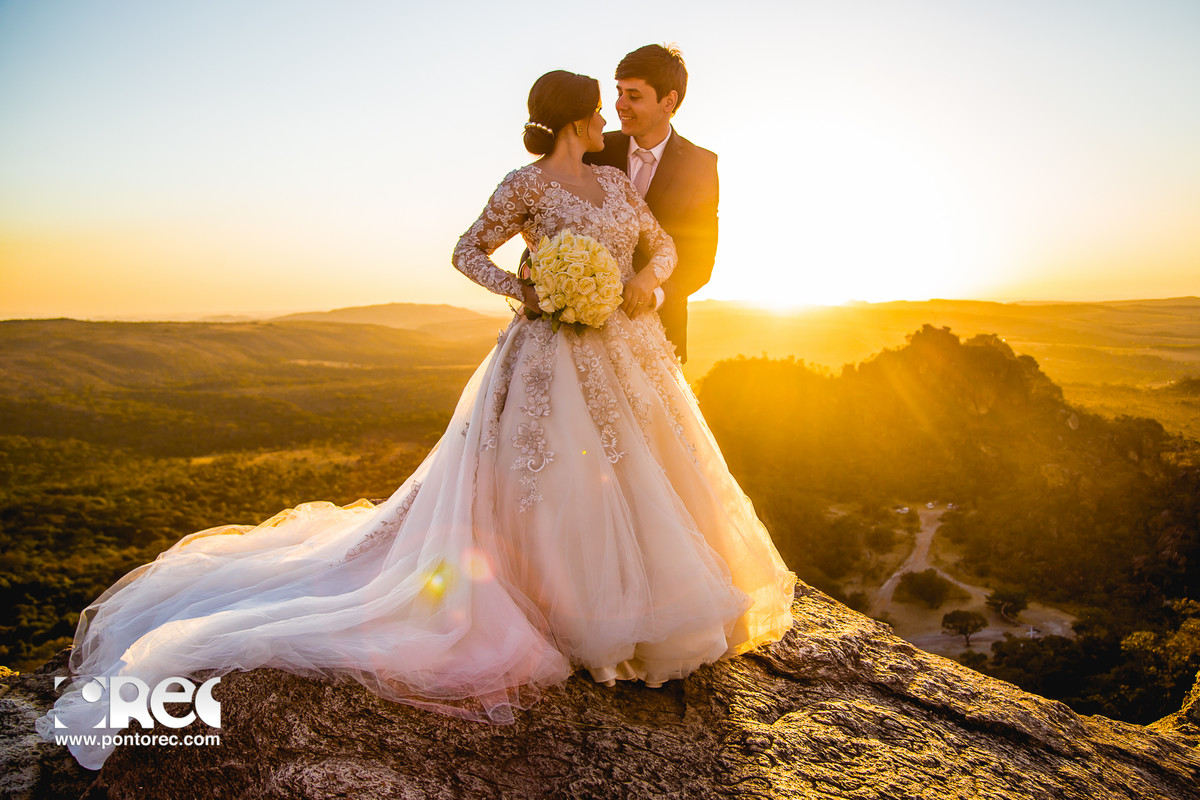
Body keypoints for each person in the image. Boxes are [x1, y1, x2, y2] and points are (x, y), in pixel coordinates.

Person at [38, 69, 796, 771]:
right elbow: (468, 251)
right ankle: (568, 609)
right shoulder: (524, 184)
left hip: (626, 351)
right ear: (576, 120)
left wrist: (640, 286)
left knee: (644, 471)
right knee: (553, 477)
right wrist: (529, 292)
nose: (608, 119)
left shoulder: (612, 181)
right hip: (546, 353)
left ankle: (651, 604)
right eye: (599, 108)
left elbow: (663, 248)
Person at [583, 44, 718, 365]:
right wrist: (539, 272)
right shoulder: (593, 151)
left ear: (668, 101)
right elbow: (555, 220)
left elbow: (700, 260)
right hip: (585, 334)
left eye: (634, 96)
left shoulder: (701, 165)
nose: (620, 105)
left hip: (661, 335)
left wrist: (655, 292)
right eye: (619, 92)